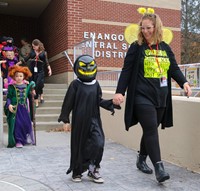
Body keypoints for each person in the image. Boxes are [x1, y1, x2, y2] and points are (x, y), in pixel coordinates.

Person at [113, 9, 192, 183]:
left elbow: (174, 69)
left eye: (149, 28)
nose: (145, 31)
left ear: (157, 28)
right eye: (143, 28)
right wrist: (120, 91)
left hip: (161, 96)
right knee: (150, 128)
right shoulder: (136, 47)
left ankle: (141, 158)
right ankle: (159, 167)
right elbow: (126, 71)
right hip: (141, 96)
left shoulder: (164, 47)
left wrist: (184, 83)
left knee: (151, 130)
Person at [58, 55, 120, 183]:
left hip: (94, 119)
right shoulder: (75, 85)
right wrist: (66, 120)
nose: (87, 70)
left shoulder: (95, 84)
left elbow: (98, 100)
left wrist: (112, 103)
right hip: (80, 121)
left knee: (99, 143)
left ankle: (93, 169)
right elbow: (68, 103)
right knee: (80, 146)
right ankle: (77, 171)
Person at [4, 65, 35, 148]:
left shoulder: (26, 86)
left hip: (24, 109)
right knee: (17, 124)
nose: (19, 78)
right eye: (17, 76)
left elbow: (29, 95)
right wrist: (9, 104)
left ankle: (23, 138)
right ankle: (18, 140)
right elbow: (9, 97)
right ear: (13, 76)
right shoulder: (11, 87)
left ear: (24, 76)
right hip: (15, 109)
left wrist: (32, 93)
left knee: (25, 124)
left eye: (21, 76)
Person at [17, 39, 52, 107]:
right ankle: (36, 101)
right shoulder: (32, 52)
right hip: (32, 70)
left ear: (38, 45)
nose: (33, 48)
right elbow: (25, 59)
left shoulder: (44, 53)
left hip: (40, 70)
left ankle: (41, 95)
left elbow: (46, 61)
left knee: (39, 84)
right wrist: (18, 63)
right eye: (32, 46)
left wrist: (49, 69)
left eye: (34, 46)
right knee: (34, 85)